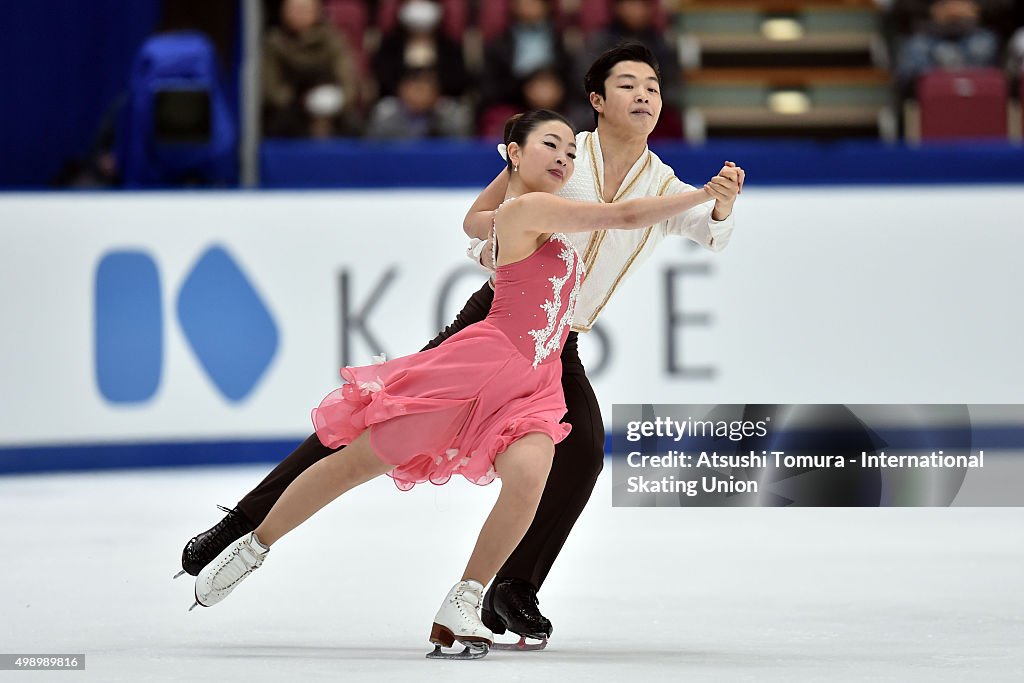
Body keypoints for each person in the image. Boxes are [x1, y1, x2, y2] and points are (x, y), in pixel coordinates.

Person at [177, 42, 743, 648]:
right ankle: (246, 524)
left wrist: (720, 206)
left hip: (556, 346)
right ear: (597, 101)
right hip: (495, 322)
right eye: (627, 84)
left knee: (580, 454)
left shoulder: (664, 181)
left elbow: (709, 234)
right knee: (369, 422)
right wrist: (498, 243)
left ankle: (510, 589)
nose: (644, 95)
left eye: (653, 87)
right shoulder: (558, 154)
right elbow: (488, 220)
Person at [262, 0, 362, 138]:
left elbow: (348, 81)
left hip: (333, 108)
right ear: (283, 12)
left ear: (317, 12)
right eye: (295, 9)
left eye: (305, 9)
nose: (300, 14)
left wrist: (336, 102)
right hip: (290, 110)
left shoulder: (333, 41)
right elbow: (271, 87)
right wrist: (301, 102)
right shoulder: (274, 44)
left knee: (353, 126)